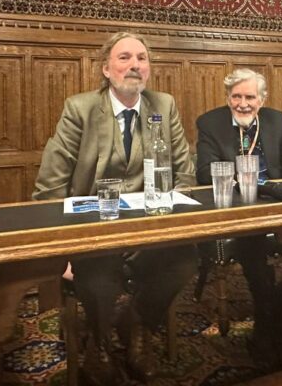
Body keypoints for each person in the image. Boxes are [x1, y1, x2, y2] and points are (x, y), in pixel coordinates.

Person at [33, 31, 197, 386]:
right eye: (124, 58)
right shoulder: (80, 109)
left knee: (185, 259)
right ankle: (100, 342)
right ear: (106, 69)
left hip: (152, 229)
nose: (135, 65)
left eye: (142, 58)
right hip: (94, 230)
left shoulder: (164, 105)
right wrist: (60, 251)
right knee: (97, 275)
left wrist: (172, 222)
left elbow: (184, 175)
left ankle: (137, 324)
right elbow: (50, 187)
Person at [195, 68, 282, 369]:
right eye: (236, 97)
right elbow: (205, 173)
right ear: (227, 98)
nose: (243, 104)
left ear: (262, 99)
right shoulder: (210, 123)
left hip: (279, 201)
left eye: (250, 97)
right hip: (239, 207)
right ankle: (266, 322)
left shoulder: (276, 120)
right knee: (254, 248)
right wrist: (255, 186)